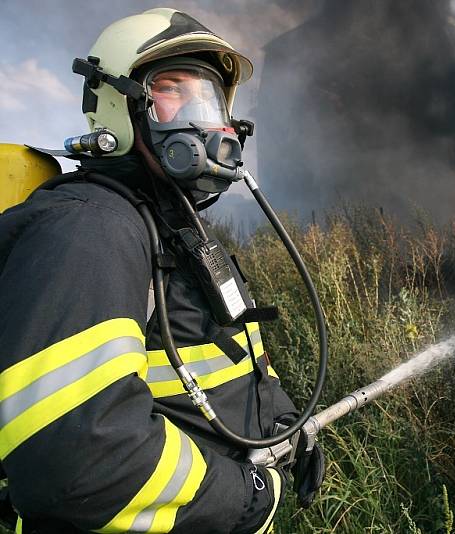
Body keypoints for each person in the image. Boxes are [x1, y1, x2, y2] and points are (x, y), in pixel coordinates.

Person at [0, 8, 323, 533]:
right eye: (174, 88)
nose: (203, 114)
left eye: (212, 97)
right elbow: (80, 461)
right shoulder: (88, 230)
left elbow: (221, 363)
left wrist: (283, 426)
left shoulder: (169, 229)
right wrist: (245, 498)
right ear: (117, 106)